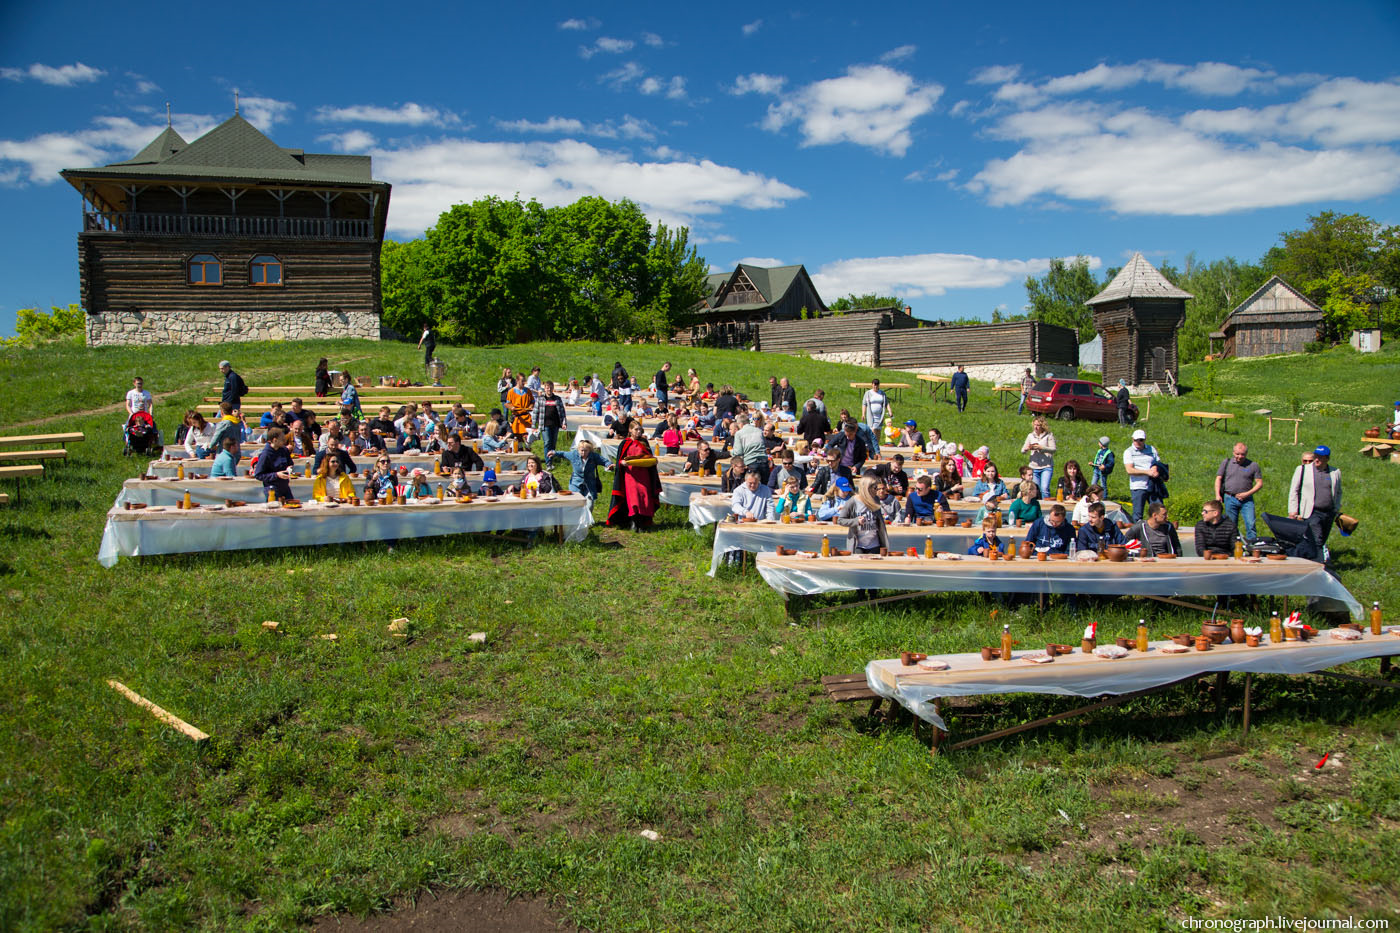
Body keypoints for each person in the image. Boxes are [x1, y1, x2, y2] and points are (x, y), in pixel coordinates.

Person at [606, 420, 661, 530]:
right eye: (636, 429)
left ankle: (642, 522)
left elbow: (648, 457)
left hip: (644, 475)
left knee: (644, 498)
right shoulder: (625, 443)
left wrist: (652, 461)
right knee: (634, 498)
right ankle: (634, 522)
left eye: (640, 429)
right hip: (630, 475)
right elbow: (619, 460)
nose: (638, 432)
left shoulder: (644, 442)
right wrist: (622, 462)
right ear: (630, 430)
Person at [1288, 445, 1342, 550]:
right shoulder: (1302, 470)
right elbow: (1294, 490)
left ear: (1327, 458)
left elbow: (1339, 492)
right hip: (1312, 511)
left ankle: (1311, 559)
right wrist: (1293, 510)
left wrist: (1336, 508)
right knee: (1317, 538)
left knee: (1322, 539)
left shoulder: (1335, 472)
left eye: (1320, 457)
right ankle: (1318, 562)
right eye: (1316, 456)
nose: (1317, 459)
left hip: (1328, 512)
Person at [1215, 442, 1263, 542]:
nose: (1240, 456)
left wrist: (1247, 494)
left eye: (1243, 454)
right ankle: (1234, 546)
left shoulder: (1253, 465)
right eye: (1237, 454)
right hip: (1229, 498)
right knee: (1231, 525)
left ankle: (1252, 545)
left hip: (1247, 500)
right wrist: (1217, 495)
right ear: (1233, 453)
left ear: (1246, 454)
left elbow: (1259, 483)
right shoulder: (1226, 463)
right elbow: (1218, 478)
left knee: (1250, 524)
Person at [836, 475, 890, 554]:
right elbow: (840, 520)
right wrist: (856, 521)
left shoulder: (876, 499)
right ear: (867, 489)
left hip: (875, 544)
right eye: (875, 488)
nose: (877, 491)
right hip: (858, 545)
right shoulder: (852, 501)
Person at [1123, 429, 1163, 522]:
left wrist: (1156, 469)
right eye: (1136, 440)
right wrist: (1147, 472)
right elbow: (1129, 470)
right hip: (1138, 485)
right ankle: (1138, 533)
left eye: (1141, 440)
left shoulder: (1151, 449)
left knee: (1159, 510)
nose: (1138, 442)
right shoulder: (1128, 452)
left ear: (1144, 440)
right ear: (1132, 439)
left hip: (1153, 484)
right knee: (1138, 513)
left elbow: (1158, 462)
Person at [254, 428, 295, 501]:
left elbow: (290, 463)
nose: (284, 441)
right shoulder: (265, 455)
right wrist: (276, 475)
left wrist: (290, 468)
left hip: (285, 488)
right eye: (282, 439)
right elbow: (258, 475)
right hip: (272, 490)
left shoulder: (284, 450)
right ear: (275, 440)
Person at [1021, 416, 1057, 499]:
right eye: (1034, 425)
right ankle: (1036, 506)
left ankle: (1047, 506)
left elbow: (1053, 449)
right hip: (1034, 466)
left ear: (1042, 426)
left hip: (1046, 466)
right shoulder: (1030, 436)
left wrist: (1042, 448)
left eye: (1038, 425)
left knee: (1044, 488)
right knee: (1035, 489)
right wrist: (1027, 448)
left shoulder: (1049, 435)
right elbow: (1022, 450)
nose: (1036, 427)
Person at [533, 380, 568, 455]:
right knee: (547, 442)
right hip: (544, 424)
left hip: (555, 424)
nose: (549, 389)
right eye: (547, 388)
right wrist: (533, 426)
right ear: (544, 389)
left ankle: (551, 458)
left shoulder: (557, 399)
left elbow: (562, 412)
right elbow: (535, 412)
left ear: (553, 388)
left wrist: (564, 423)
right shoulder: (540, 399)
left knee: (553, 443)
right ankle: (548, 463)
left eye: (551, 388)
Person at [506, 374, 534, 444]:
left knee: (527, 437)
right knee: (518, 438)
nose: (524, 382)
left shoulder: (528, 391)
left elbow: (532, 402)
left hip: (526, 417)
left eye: (524, 380)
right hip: (517, 417)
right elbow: (507, 403)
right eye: (522, 381)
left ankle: (528, 450)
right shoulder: (511, 391)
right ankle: (520, 449)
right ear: (517, 380)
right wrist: (512, 407)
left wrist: (531, 406)